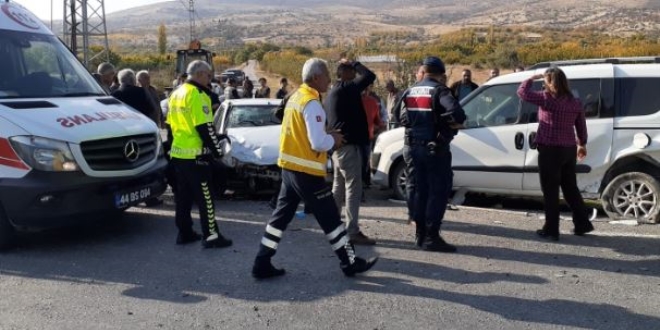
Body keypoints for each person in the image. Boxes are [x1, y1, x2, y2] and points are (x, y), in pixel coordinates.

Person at [251, 58, 378, 279]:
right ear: (317, 77)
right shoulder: (311, 102)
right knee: (331, 219)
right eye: (327, 76)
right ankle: (349, 262)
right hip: (306, 172)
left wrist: (326, 135)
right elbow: (318, 142)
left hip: (290, 170)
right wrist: (334, 140)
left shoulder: (295, 97)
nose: (330, 80)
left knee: (279, 219)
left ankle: (262, 261)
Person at [395, 56, 466, 252]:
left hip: (410, 147)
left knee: (418, 188)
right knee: (438, 189)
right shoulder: (440, 90)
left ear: (424, 71)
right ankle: (431, 236)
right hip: (433, 148)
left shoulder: (409, 90)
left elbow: (396, 115)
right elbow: (458, 114)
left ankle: (419, 235)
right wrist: (444, 124)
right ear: (441, 74)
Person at [517, 67, 593, 241]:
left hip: (550, 148)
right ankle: (582, 223)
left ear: (550, 82)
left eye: (545, 81)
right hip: (568, 149)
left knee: (550, 191)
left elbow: (521, 92)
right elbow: (581, 125)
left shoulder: (546, 99)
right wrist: (582, 143)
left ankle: (551, 229)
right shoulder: (575, 102)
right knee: (570, 188)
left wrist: (531, 78)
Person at [167, 60, 233, 248]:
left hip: (179, 155)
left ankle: (184, 232)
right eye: (208, 75)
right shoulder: (198, 95)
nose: (210, 79)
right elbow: (205, 127)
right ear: (199, 74)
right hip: (196, 156)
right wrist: (218, 151)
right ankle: (211, 235)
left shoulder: (176, 93)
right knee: (206, 198)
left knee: (183, 198)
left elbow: (170, 126)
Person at [325, 58, 376, 245]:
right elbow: (370, 76)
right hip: (348, 147)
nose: (355, 76)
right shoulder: (347, 89)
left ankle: (333, 225)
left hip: (337, 148)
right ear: (344, 73)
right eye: (352, 72)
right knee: (353, 187)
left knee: (338, 186)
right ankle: (352, 231)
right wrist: (355, 63)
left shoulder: (332, 93)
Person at [361, 84, 384, 189]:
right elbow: (378, 121)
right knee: (364, 160)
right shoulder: (372, 102)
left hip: (361, 137)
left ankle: (363, 183)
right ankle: (364, 182)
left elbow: (377, 120)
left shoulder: (372, 102)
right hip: (365, 137)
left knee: (362, 161)